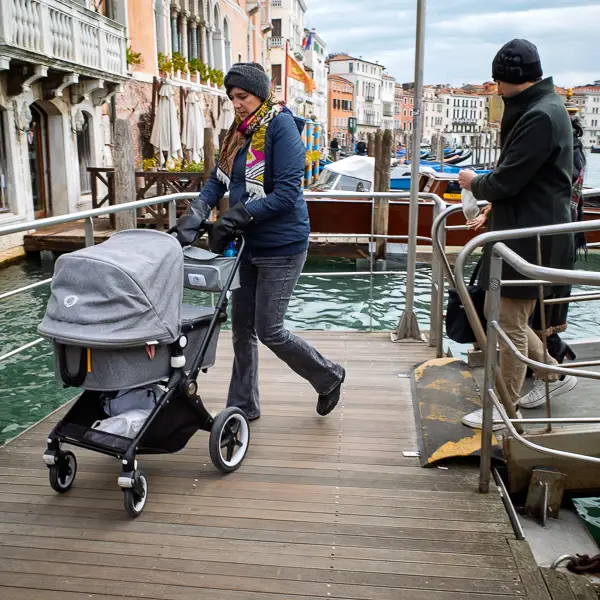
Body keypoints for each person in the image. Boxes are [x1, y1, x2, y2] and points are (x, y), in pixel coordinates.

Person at [175, 62, 345, 421]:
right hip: (247, 244)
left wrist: (234, 217)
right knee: (241, 328)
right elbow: (217, 181)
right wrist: (196, 212)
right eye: (232, 97)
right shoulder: (239, 131)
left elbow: (285, 194)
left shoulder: (281, 127)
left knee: (270, 329)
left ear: (261, 93)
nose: (236, 104)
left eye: (243, 97)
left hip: (282, 245)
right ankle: (243, 405)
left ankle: (328, 375)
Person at [458, 39, 576, 428]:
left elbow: (507, 181)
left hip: (529, 239)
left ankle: (502, 412)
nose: (495, 89)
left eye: (497, 82)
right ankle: (554, 373)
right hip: (530, 233)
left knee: (507, 323)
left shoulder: (540, 116)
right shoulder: (545, 108)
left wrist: (474, 182)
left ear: (512, 79)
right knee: (509, 315)